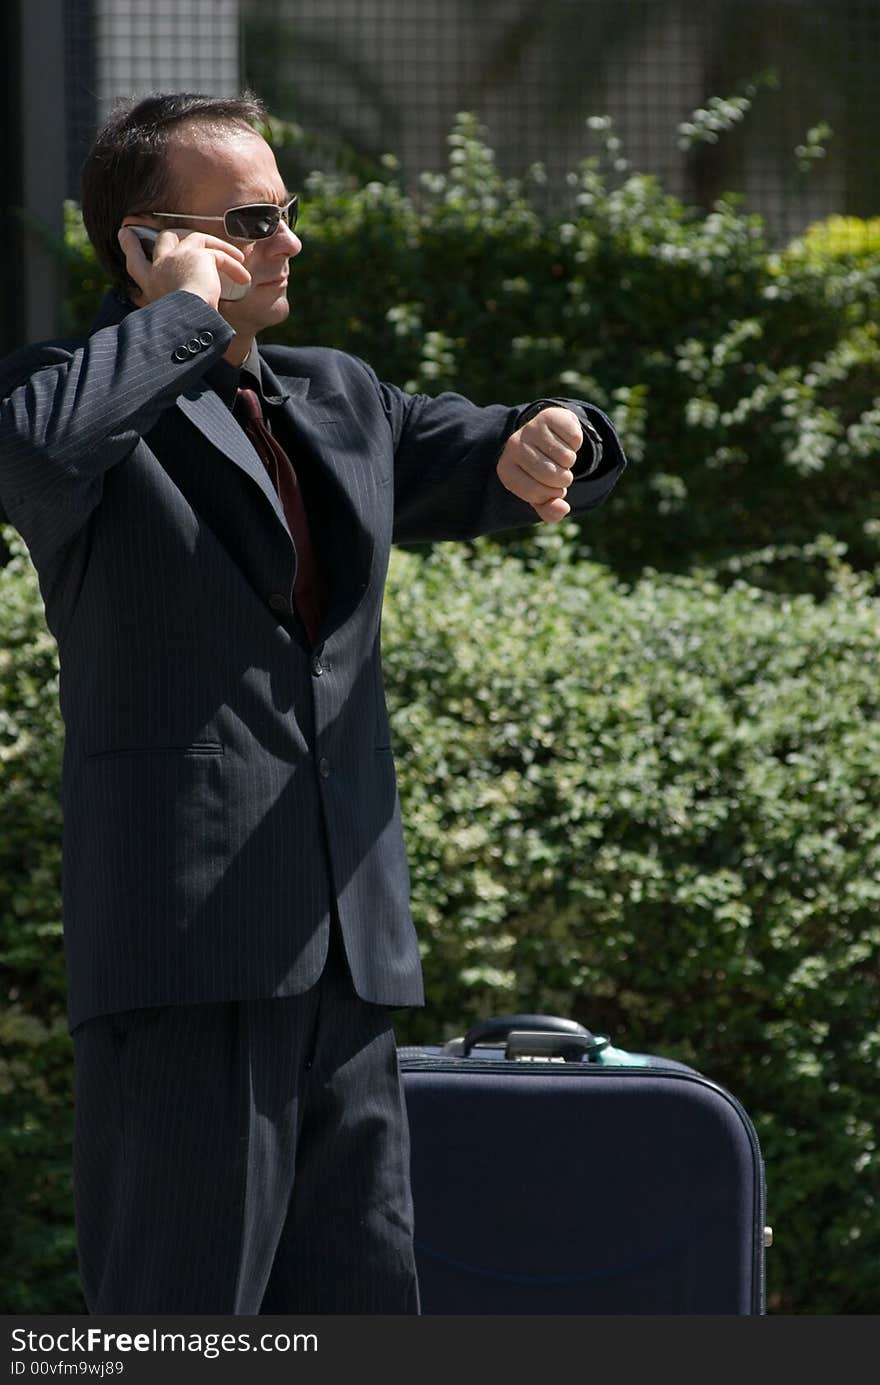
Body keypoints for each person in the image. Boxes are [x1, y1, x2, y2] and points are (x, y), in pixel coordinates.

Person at [0, 91, 625, 1314]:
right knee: (178, 1322)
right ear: (142, 242)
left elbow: (503, 445)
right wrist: (180, 310)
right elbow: (33, 456)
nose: (289, 243)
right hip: (185, 957)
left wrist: (563, 434)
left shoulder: (339, 396)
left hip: (350, 947)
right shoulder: (72, 397)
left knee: (360, 1309)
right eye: (249, 220)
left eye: (288, 211)